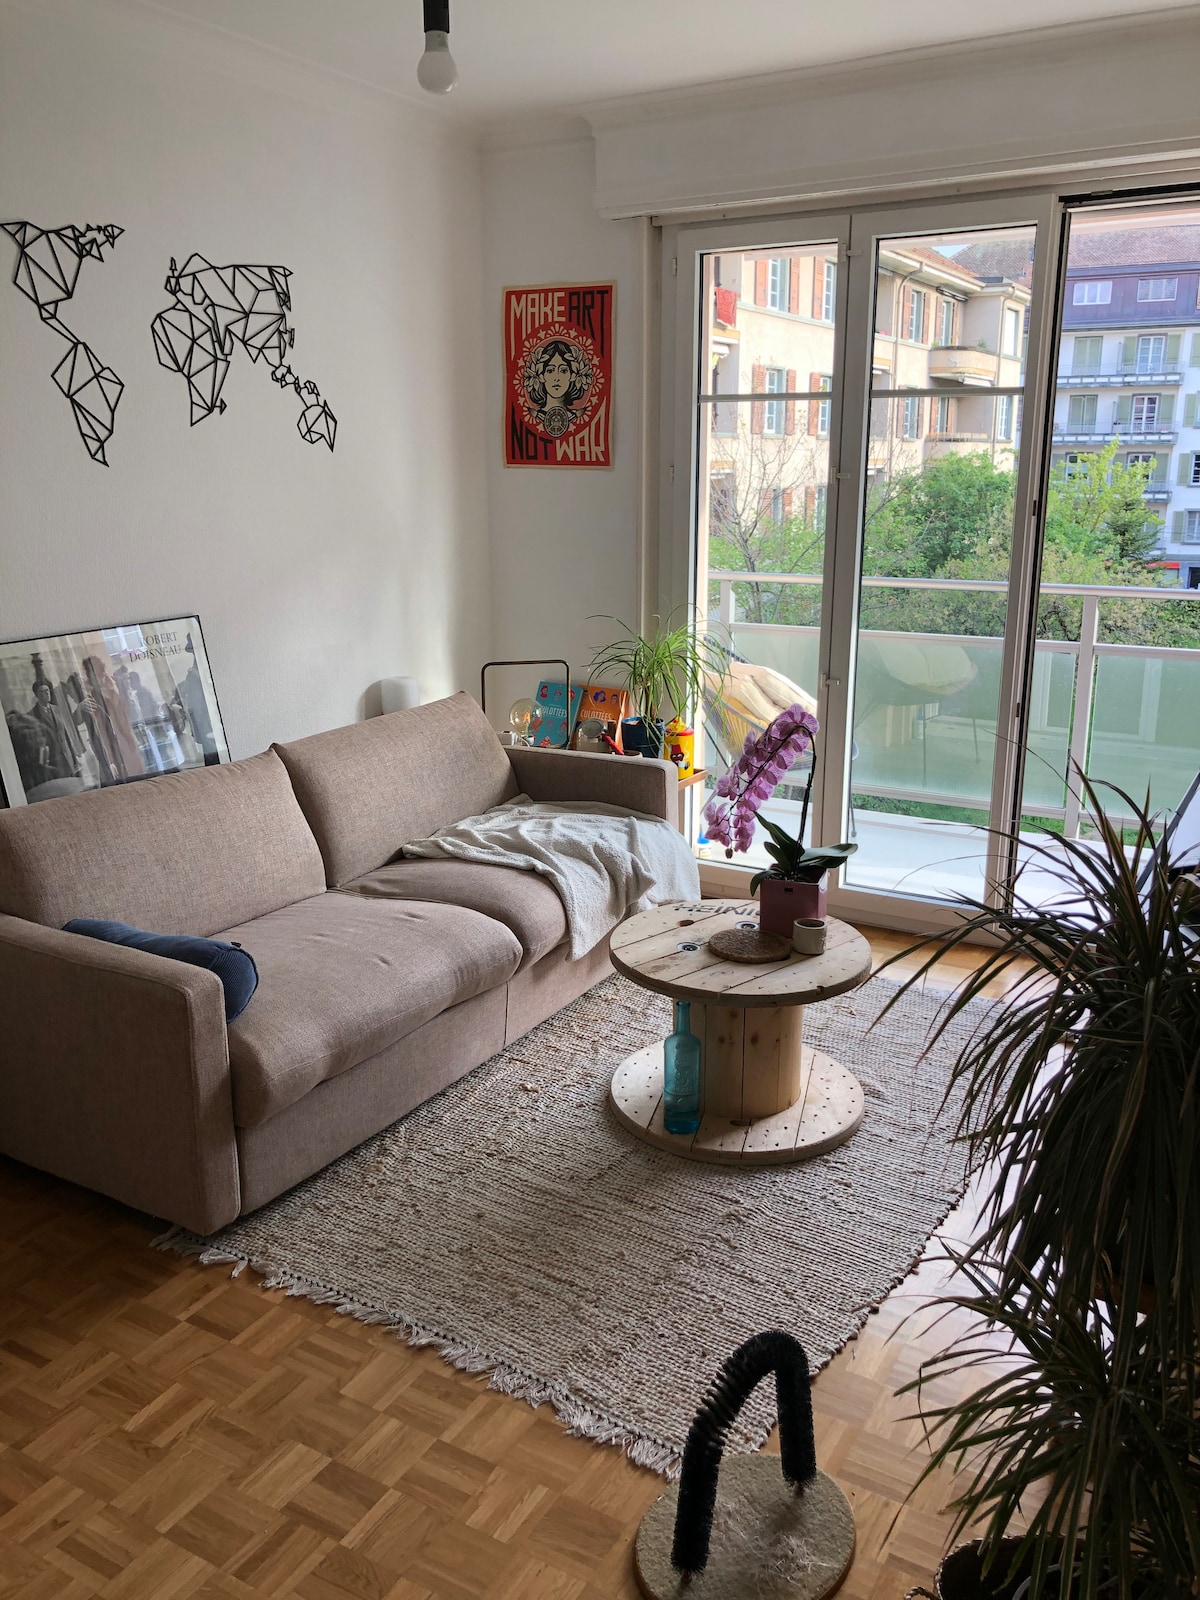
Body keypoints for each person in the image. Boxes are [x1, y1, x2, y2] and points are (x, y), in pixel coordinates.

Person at [524, 338, 592, 438]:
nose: (556, 378)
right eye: (550, 371)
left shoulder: (577, 414)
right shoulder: (533, 414)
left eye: (563, 371)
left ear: (572, 376)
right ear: (541, 376)